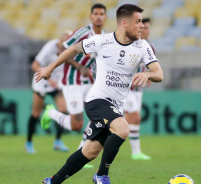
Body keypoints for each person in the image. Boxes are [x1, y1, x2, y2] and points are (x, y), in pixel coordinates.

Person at [35, 4, 163, 184]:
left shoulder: (142, 46)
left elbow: (159, 74)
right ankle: (101, 175)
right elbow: (73, 49)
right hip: (97, 100)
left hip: (115, 107)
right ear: (125, 23)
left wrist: (147, 73)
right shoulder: (103, 41)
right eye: (139, 21)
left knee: (89, 152)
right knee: (123, 128)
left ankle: (52, 181)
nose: (142, 26)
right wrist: (50, 68)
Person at [40, 3, 107, 153]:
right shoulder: (83, 33)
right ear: (91, 16)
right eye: (95, 13)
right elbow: (61, 50)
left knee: (96, 117)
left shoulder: (105, 37)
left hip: (90, 83)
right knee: (76, 125)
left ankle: (81, 152)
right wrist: (79, 66)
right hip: (72, 81)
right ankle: (51, 113)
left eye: (101, 14)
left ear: (105, 17)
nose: (98, 16)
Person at [25, 31, 72, 154]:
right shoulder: (50, 47)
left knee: (63, 109)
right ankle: (29, 142)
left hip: (56, 84)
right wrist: (49, 78)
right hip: (42, 81)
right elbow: (34, 65)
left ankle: (57, 141)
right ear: (60, 40)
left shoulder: (70, 49)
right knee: (36, 113)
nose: (66, 45)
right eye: (65, 41)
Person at [123, 18, 155, 160]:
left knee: (129, 120)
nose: (146, 31)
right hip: (125, 88)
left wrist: (148, 76)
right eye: (144, 28)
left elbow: (152, 68)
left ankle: (136, 152)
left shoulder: (150, 47)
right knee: (135, 117)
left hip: (138, 90)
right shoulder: (128, 44)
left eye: (147, 28)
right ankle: (135, 152)